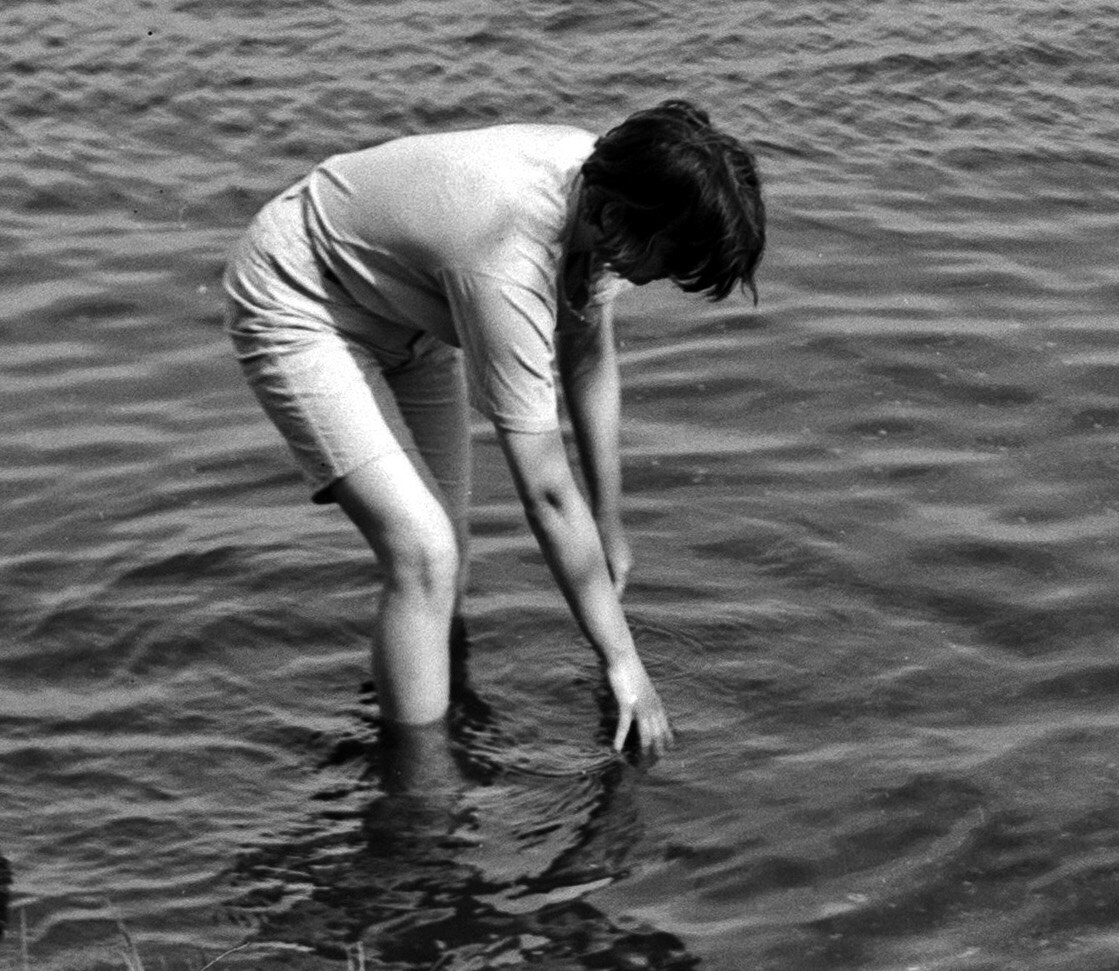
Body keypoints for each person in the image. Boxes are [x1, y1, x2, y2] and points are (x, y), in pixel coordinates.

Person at [222, 101, 765, 760]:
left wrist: (610, 523)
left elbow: (587, 352)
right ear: (623, 219)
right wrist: (625, 665)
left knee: (446, 560)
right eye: (671, 259)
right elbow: (545, 492)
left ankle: (432, 722)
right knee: (423, 553)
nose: (664, 278)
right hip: (299, 295)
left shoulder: (610, 187)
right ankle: (419, 795)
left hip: (409, 311)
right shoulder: (509, 256)